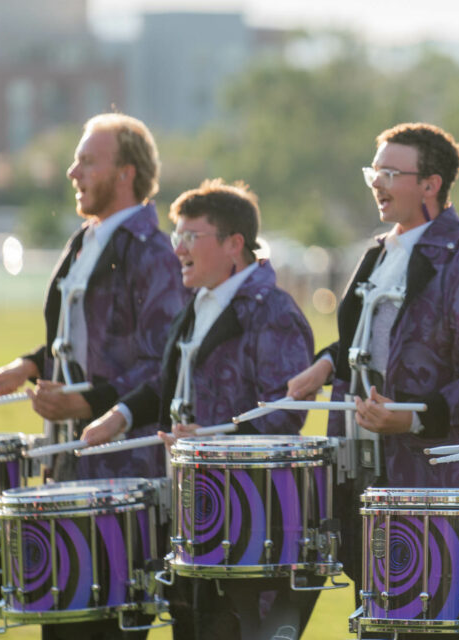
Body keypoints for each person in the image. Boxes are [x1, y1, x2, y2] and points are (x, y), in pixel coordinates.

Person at [80, 179, 314, 640]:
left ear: (234, 245)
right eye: (176, 237)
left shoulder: (273, 312)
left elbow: (285, 414)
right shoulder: (198, 302)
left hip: (251, 523)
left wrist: (210, 438)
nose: (179, 249)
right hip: (194, 513)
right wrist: (121, 415)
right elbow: (167, 383)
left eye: (192, 237)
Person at [286, 122, 459, 574]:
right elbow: (365, 342)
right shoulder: (378, 252)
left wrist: (413, 416)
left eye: (391, 173)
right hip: (359, 467)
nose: (376, 183)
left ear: (431, 185)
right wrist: (327, 365)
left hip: (429, 480)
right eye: (375, 171)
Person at [0, 113, 188, 482]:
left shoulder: (153, 254)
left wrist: (87, 403)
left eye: (88, 162)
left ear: (126, 173)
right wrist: (31, 365)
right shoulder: (84, 240)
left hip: (128, 467)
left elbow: (165, 363)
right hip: (69, 454)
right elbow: (87, 341)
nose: (72, 172)